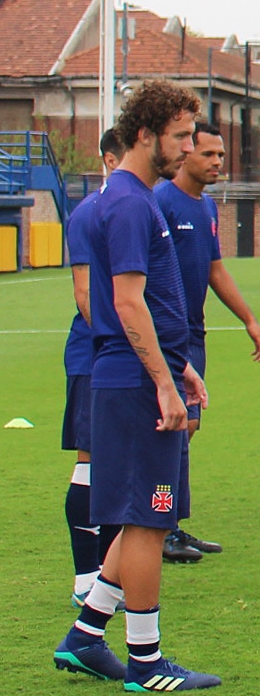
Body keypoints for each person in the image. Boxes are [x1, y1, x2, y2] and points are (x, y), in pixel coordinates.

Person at [53, 79, 220, 692]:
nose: (187, 147)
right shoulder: (127, 204)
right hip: (132, 383)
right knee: (149, 519)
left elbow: (146, 301)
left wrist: (180, 366)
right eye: (179, 136)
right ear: (146, 134)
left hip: (137, 376)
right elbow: (127, 304)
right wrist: (164, 383)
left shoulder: (125, 197)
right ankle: (146, 663)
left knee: (135, 516)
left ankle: (85, 636)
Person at [154, 122, 260, 560]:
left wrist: (249, 319)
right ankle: (156, 525)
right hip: (167, 337)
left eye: (221, 155)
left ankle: (168, 525)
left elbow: (215, 269)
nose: (218, 162)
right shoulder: (162, 203)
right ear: (185, 154)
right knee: (172, 430)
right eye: (209, 154)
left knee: (188, 428)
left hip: (193, 333)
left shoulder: (205, 208)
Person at [58, 130, 122, 604]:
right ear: (109, 159)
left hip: (125, 355)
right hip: (95, 354)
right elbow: (85, 297)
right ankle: (86, 578)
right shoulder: (88, 214)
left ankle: (107, 575)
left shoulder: (137, 207)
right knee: (91, 460)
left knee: (118, 464)